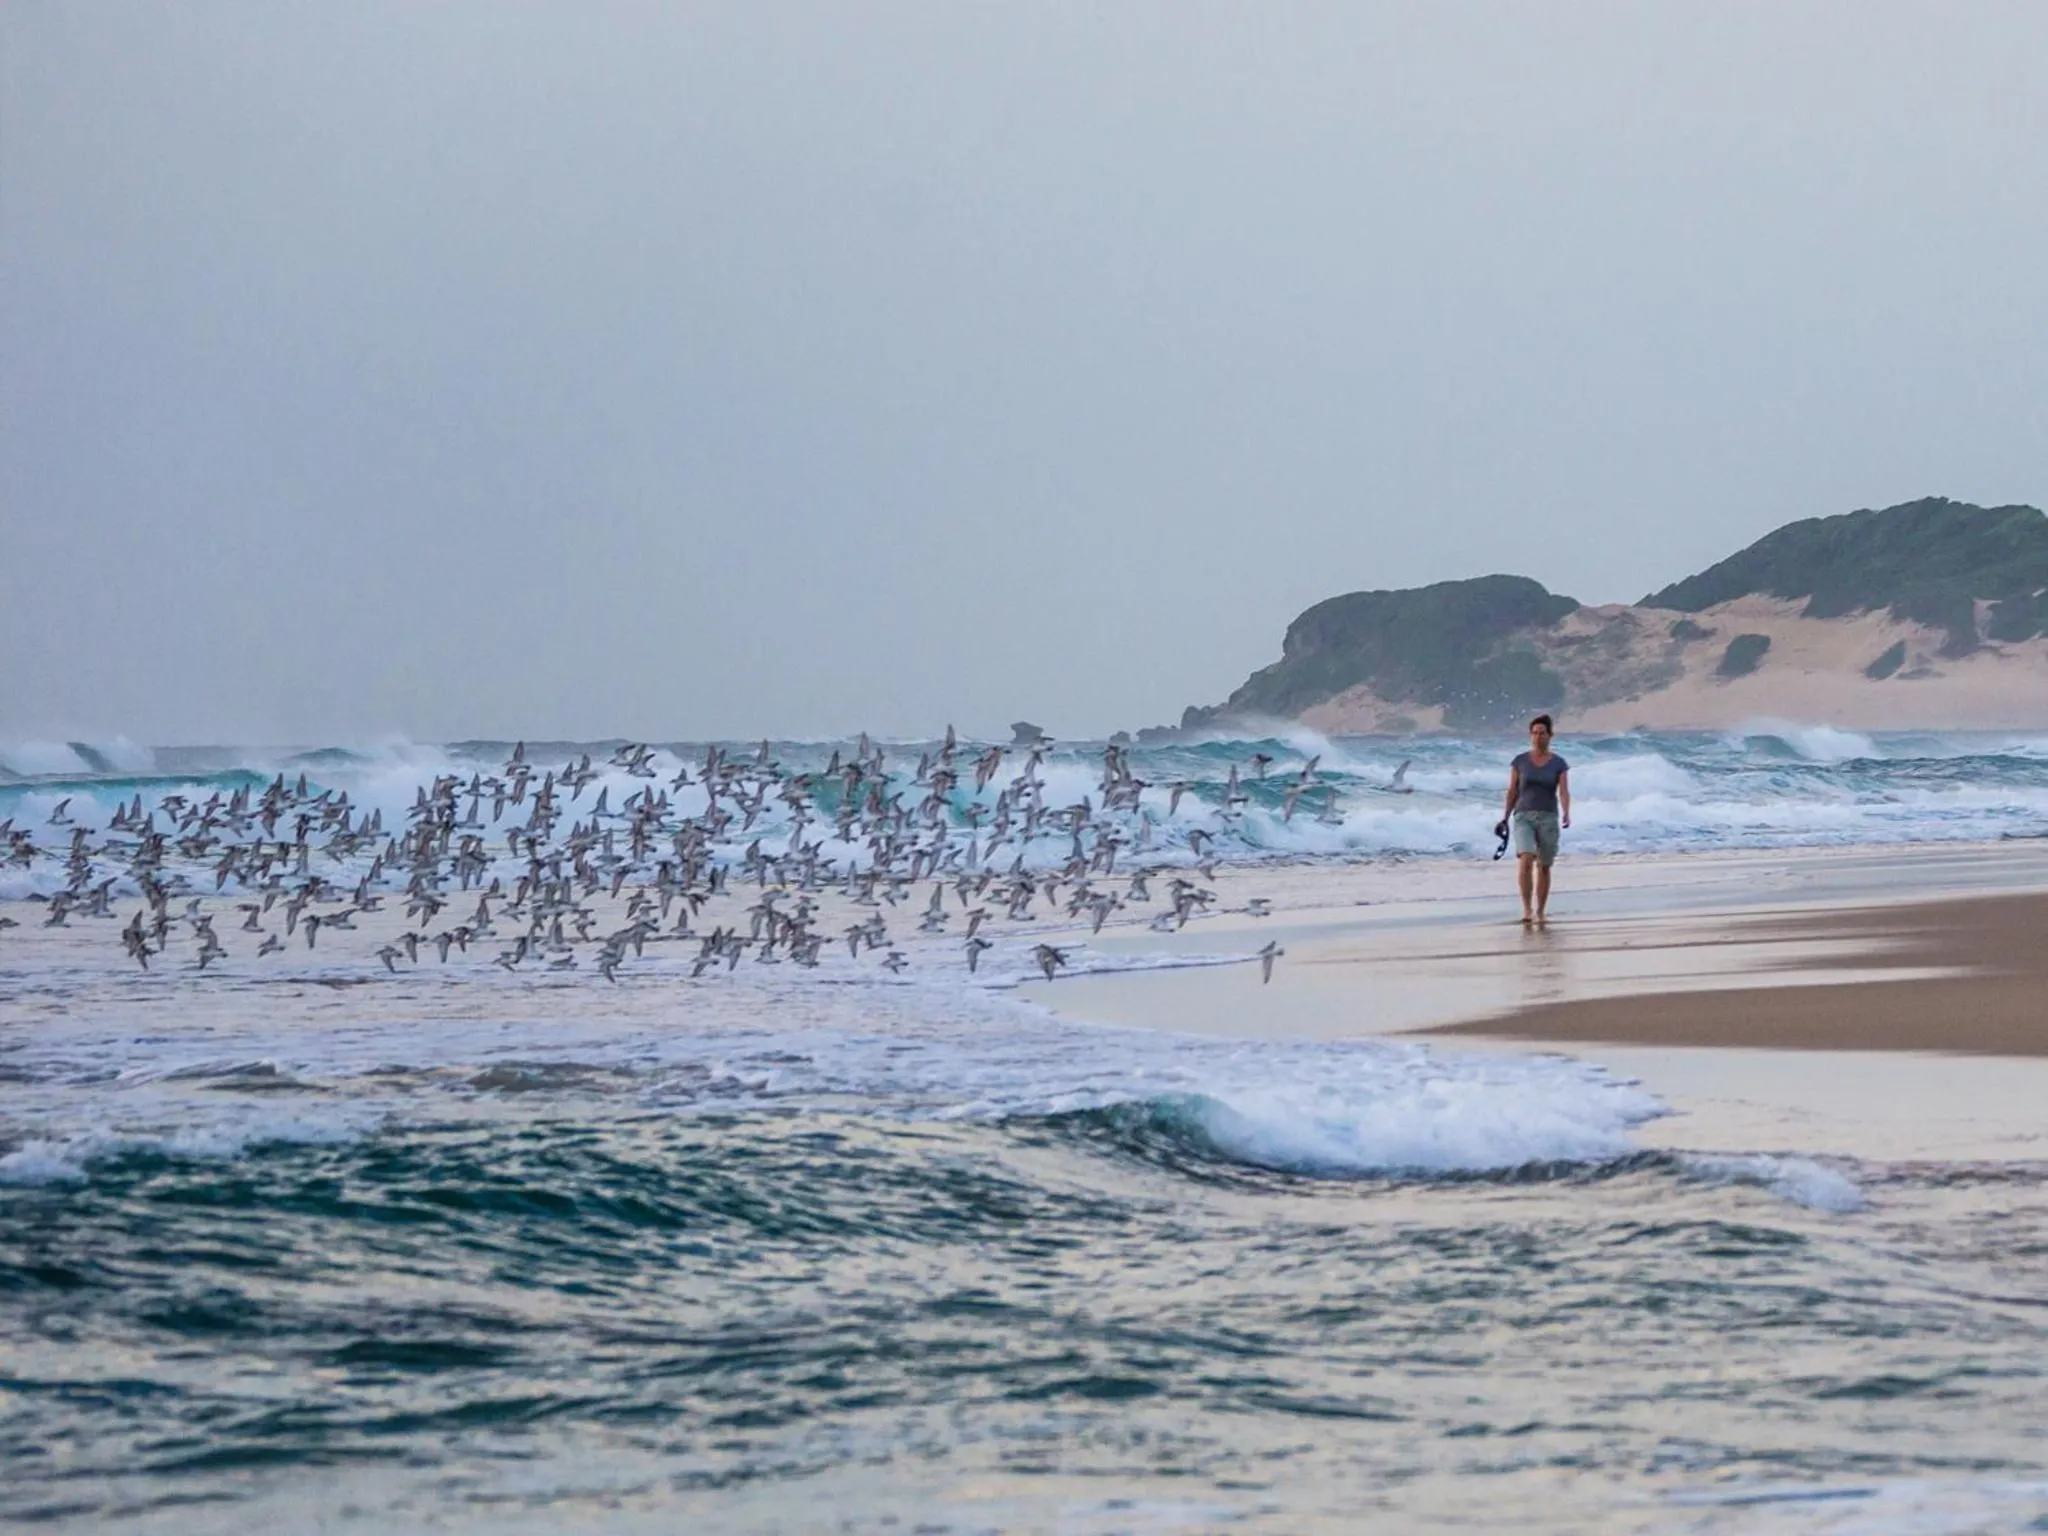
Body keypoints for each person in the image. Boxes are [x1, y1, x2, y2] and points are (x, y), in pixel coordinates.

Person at [1499, 714, 1570, 925]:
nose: (1538, 737)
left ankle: (1540, 910)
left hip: (1548, 816)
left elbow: (1564, 791)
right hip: (1523, 816)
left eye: (1542, 733)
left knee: (1545, 866)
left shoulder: (1559, 763)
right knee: (1526, 858)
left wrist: (1566, 811)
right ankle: (1527, 909)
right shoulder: (1520, 761)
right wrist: (1504, 817)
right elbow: (1512, 790)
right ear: (1530, 735)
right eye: (1535, 733)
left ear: (1550, 735)